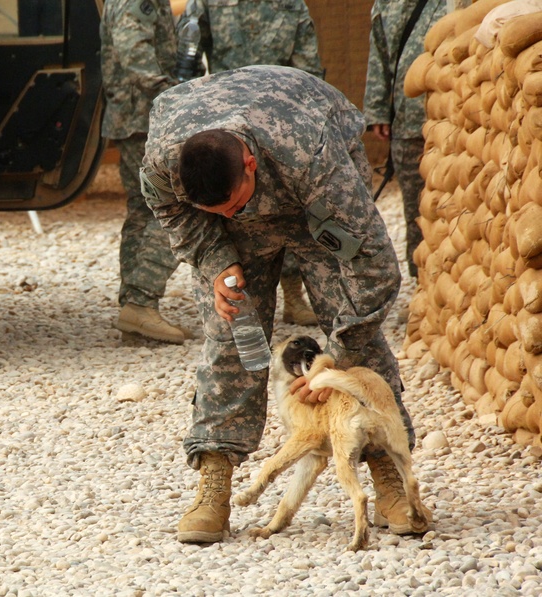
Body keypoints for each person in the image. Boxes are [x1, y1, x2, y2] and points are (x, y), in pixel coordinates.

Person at [139, 65, 423, 544]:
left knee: (353, 321)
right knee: (230, 327)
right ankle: (215, 477)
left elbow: (374, 267)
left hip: (309, 198)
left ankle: (386, 471)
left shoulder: (313, 157)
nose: (231, 216)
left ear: (249, 163)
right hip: (245, 191)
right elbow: (175, 217)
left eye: (233, 205)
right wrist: (216, 260)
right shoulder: (164, 163)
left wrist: (336, 362)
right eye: (218, 212)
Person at [174, 0, 325, 326]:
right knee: (240, 204)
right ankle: (251, 293)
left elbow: (308, 65)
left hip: (269, 123)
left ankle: (293, 295)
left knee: (288, 206)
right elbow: (188, 56)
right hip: (239, 125)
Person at [101, 0, 191, 344]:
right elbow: (134, 52)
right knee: (172, 206)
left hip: (140, 118)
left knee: (142, 211)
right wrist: (176, 96)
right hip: (147, 119)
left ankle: (135, 315)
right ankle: (141, 303)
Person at [363, 0, 448, 278]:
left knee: (453, 202)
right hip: (408, 121)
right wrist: (377, 110)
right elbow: (379, 53)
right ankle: (421, 282)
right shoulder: (388, 4)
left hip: (451, 117)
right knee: (416, 210)